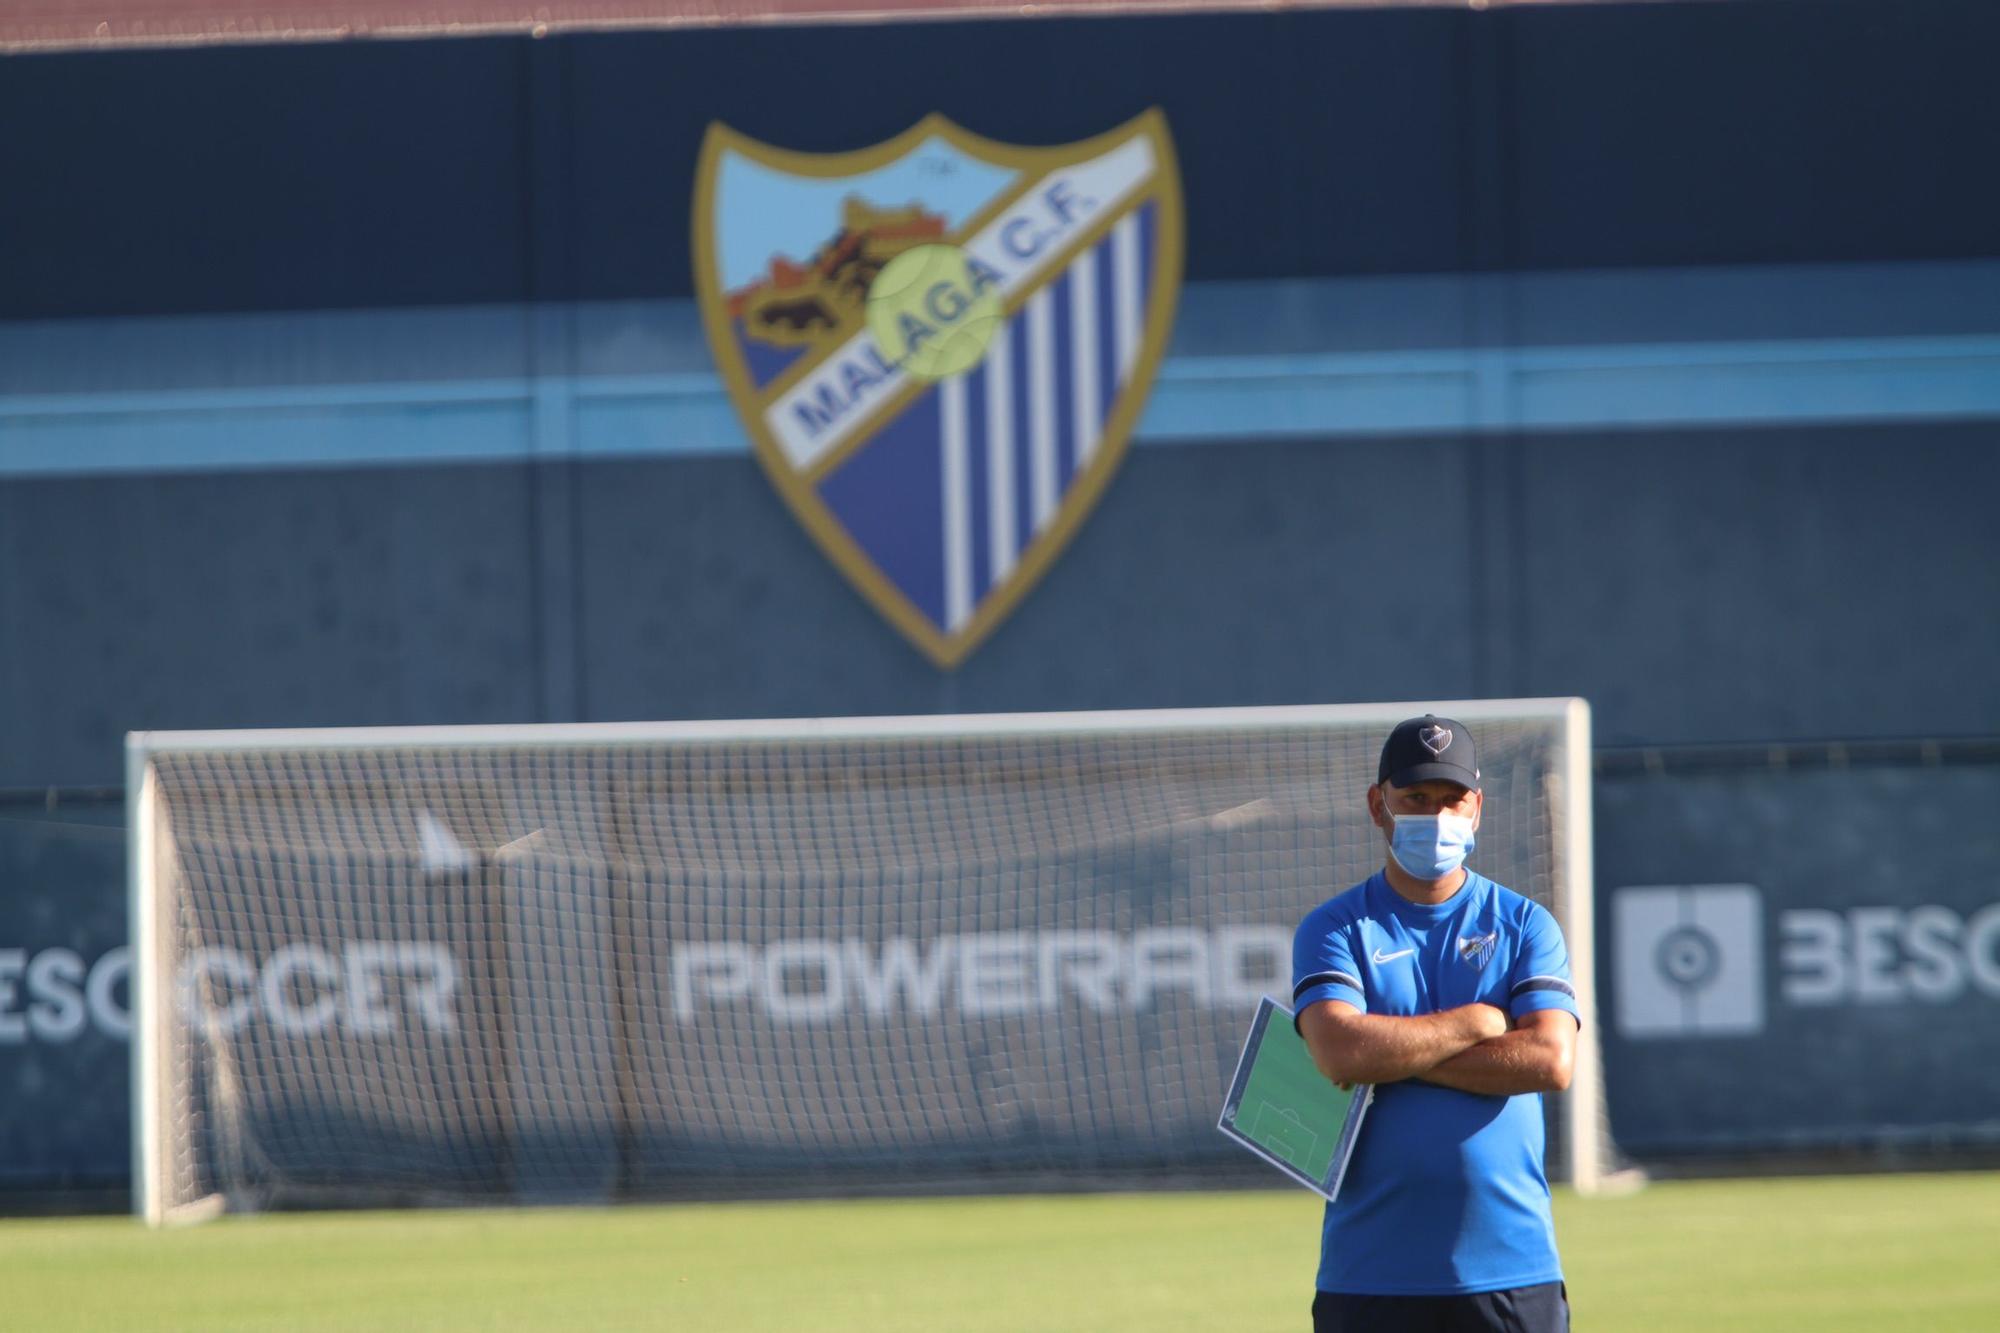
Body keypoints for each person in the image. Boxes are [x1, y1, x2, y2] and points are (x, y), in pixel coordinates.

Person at [1292, 714, 1579, 1333]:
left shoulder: (1525, 924)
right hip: (1369, 1273)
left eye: (1452, 800)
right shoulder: (1335, 927)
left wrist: (1393, 1053)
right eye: (1416, 799)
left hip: (1510, 1271)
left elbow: (1551, 1061)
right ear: (1379, 805)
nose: (1437, 817)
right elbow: (1341, 1052)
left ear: (1476, 807)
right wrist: (1478, 1022)